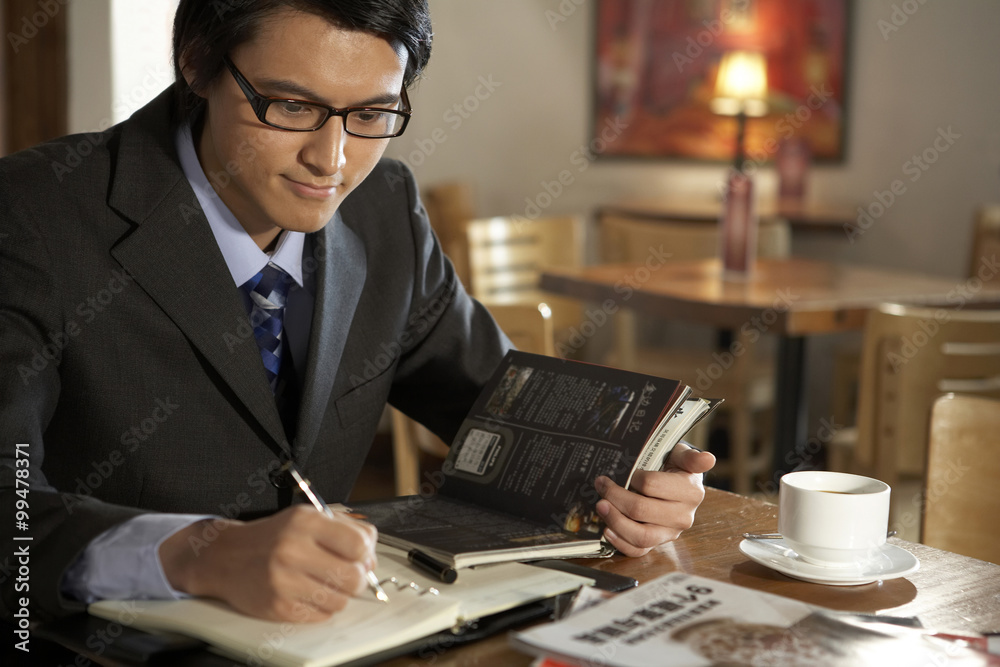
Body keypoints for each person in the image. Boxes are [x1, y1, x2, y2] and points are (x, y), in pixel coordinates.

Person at [0, 0, 715, 626]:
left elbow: (505, 414)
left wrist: (634, 480)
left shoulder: (385, 212)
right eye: (289, 106)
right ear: (196, 62)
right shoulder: (34, 214)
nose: (331, 159)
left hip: (344, 635)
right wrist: (196, 554)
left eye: (372, 114)